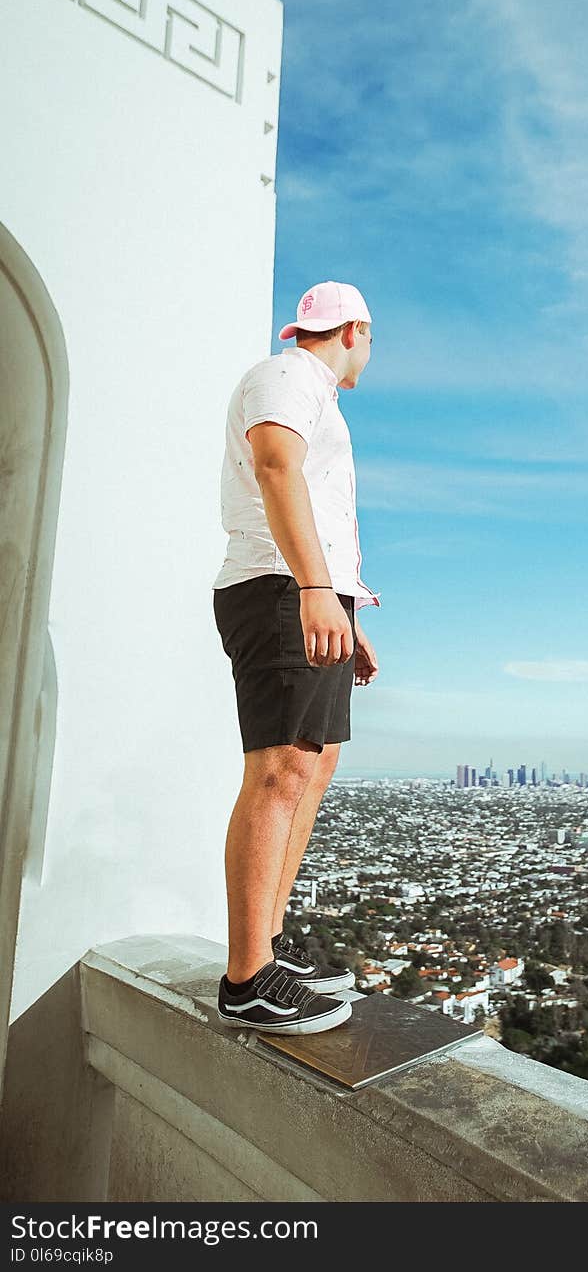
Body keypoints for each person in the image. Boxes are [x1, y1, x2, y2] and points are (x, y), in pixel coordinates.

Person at [212, 281, 381, 1034]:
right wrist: (315, 586)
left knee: (314, 762)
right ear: (354, 330)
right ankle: (247, 976)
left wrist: (345, 605)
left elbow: (317, 501)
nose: (368, 356)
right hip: (280, 585)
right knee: (280, 767)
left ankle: (270, 946)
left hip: (312, 589)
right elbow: (276, 466)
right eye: (369, 342)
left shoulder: (316, 391)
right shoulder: (285, 376)